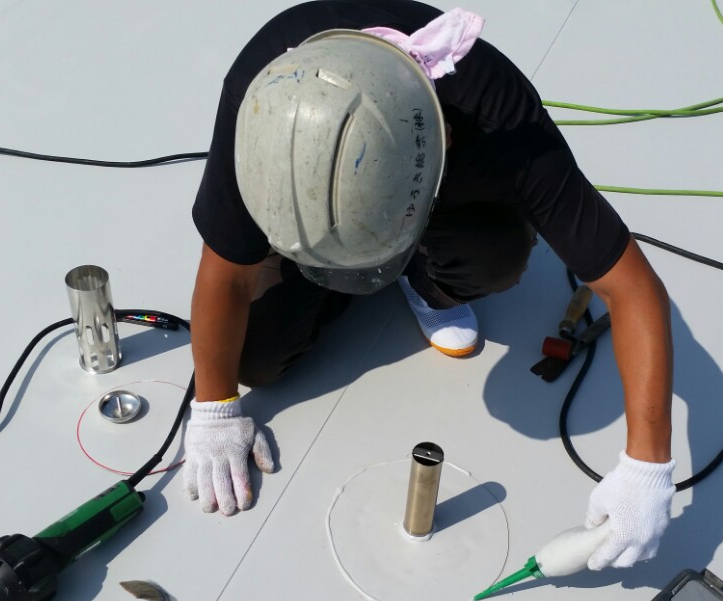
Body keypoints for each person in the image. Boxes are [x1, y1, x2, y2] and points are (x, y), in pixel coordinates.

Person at [184, 0, 676, 571]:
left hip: (440, 207)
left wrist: (648, 466)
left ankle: (424, 280)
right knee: (254, 361)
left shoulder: (502, 123)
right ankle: (327, 258)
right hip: (303, 221)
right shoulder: (265, 101)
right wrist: (214, 407)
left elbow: (633, 288)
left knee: (498, 257)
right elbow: (224, 273)